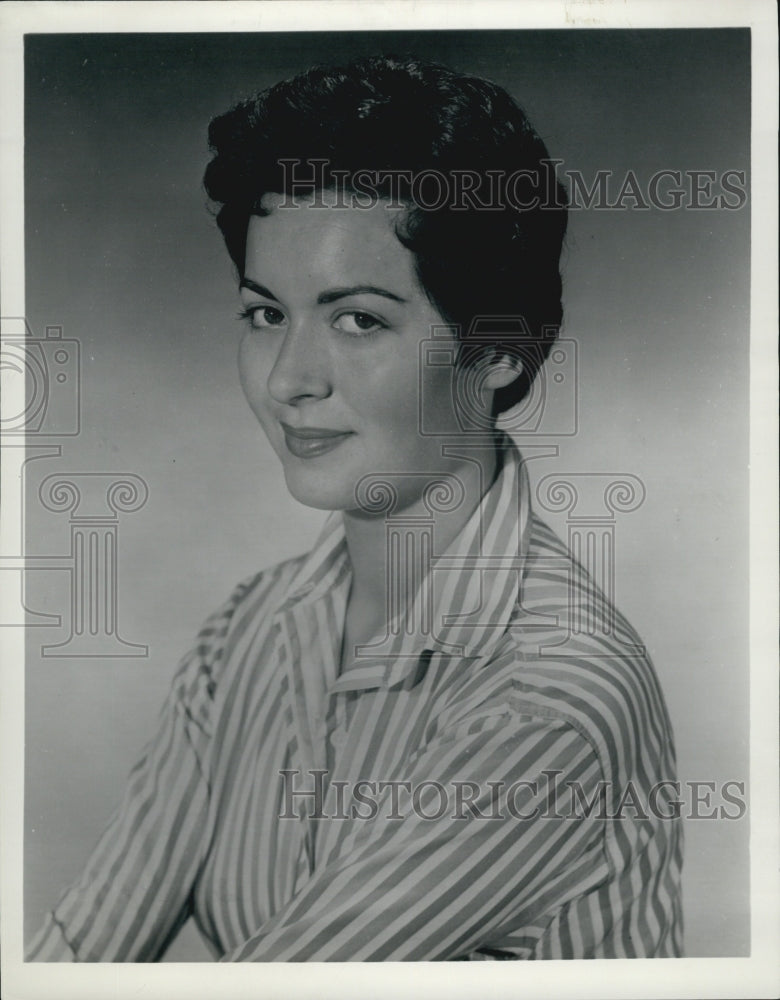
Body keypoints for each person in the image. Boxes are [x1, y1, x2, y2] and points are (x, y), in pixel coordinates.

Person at [28, 55, 683, 962]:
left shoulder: (551, 702)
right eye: (265, 315)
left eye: (358, 320)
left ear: (497, 348)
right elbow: (72, 958)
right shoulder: (247, 633)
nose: (290, 380)